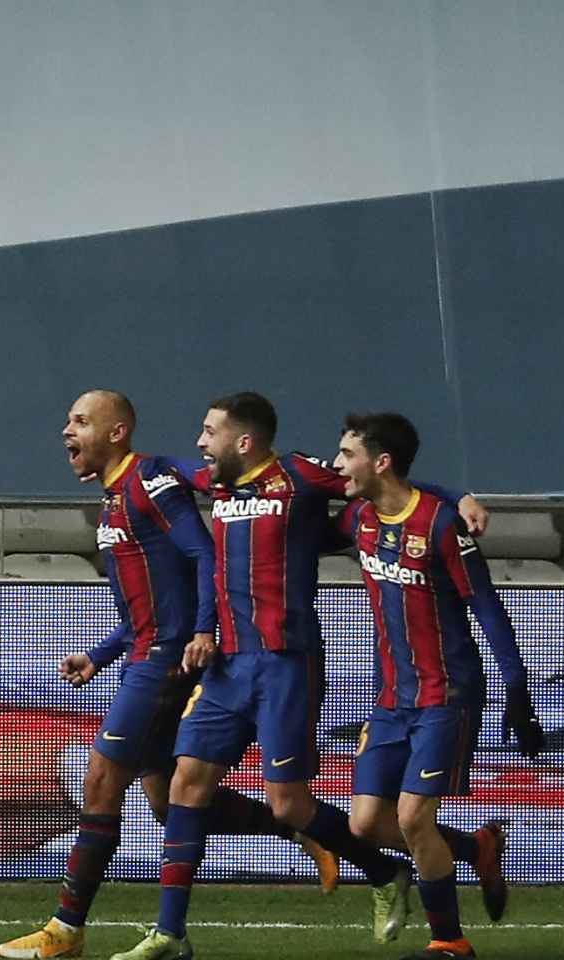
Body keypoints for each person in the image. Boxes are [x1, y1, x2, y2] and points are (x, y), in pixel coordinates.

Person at [115, 391, 487, 960]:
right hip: (226, 666)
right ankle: (171, 934)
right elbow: (159, 468)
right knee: (184, 783)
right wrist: (202, 627)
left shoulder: (302, 476)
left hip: (287, 663)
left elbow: (389, 486)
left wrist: (459, 497)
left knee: (288, 805)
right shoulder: (213, 478)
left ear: (245, 441)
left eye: (209, 432)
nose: (200, 444)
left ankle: (387, 875)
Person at [0, 390, 338, 960]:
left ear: (117, 432)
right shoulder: (115, 497)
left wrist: (203, 631)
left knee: (102, 779)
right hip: (144, 653)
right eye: (67, 419)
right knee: (165, 801)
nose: (67, 430)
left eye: (80, 420)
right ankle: (299, 828)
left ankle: (66, 929)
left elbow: (203, 556)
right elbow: (151, 601)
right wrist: (101, 654)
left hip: (164, 660)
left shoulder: (151, 484)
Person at [329, 413, 544, 960]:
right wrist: (459, 489)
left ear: (380, 462)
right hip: (390, 700)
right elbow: (311, 494)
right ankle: (475, 849)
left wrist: (516, 692)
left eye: (347, 454)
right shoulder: (358, 517)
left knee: (410, 816)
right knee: (365, 823)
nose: (337, 465)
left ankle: (450, 942)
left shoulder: (442, 525)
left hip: (446, 696)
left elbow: (490, 612)